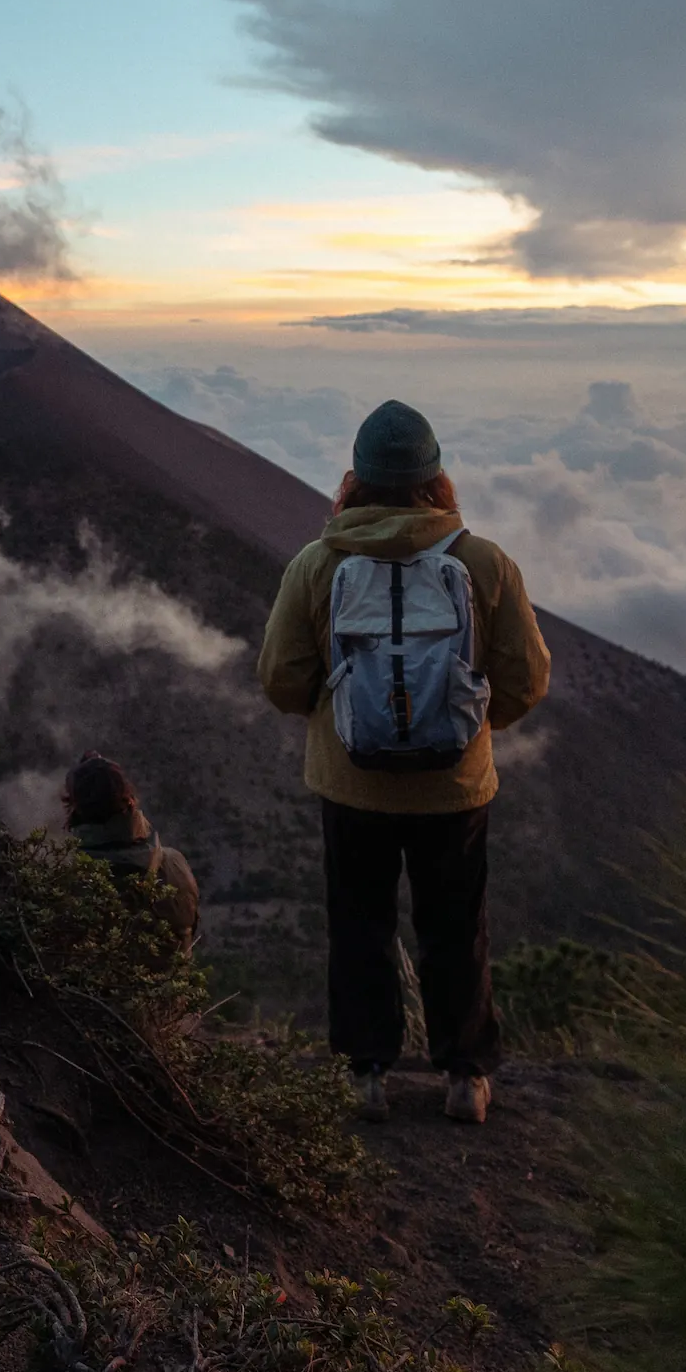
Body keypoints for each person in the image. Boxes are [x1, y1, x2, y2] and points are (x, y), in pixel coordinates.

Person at [256, 399, 549, 1125]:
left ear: (355, 480)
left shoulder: (318, 564)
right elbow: (527, 677)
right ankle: (465, 1076)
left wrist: (335, 719)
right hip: (454, 787)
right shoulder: (483, 563)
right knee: (455, 927)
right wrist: (473, 727)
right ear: (436, 480)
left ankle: (365, 1074)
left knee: (360, 925)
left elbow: (280, 677)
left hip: (351, 782)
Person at [59, 753, 200, 951]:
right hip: (170, 981)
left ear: (74, 809)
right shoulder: (174, 864)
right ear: (130, 800)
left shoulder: (64, 883)